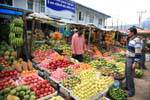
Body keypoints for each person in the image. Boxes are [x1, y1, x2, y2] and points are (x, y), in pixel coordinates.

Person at [125, 27, 142, 97]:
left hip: (131, 60)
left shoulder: (137, 40)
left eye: (128, 32)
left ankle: (131, 91)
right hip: (128, 58)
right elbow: (130, 49)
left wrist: (135, 62)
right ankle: (127, 86)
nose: (127, 33)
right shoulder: (131, 39)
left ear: (132, 33)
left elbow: (138, 52)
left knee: (130, 75)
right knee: (126, 73)